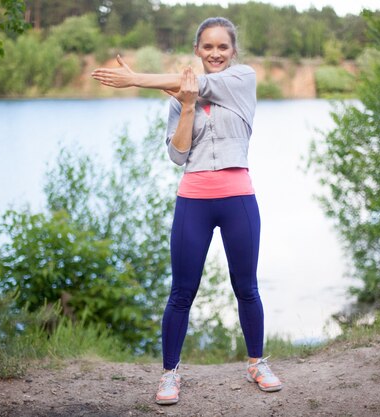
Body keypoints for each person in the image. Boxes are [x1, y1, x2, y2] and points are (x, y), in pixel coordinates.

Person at [91, 16, 282, 405]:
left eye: (222, 47)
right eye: (207, 47)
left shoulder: (243, 80)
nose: (215, 53)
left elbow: (200, 84)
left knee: (246, 287)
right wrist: (188, 105)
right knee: (181, 291)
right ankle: (169, 374)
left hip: (238, 199)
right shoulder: (181, 99)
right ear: (197, 50)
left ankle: (256, 363)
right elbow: (178, 155)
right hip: (192, 200)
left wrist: (135, 79)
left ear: (233, 51)